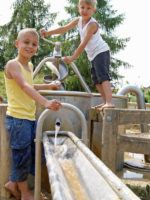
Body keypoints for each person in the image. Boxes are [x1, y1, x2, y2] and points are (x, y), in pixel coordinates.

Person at [4, 28, 62, 200]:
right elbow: (24, 86)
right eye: (26, 42)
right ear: (17, 44)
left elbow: (31, 86)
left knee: (36, 153)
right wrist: (45, 103)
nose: (30, 46)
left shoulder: (28, 66)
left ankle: (12, 184)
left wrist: (48, 86)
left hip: (29, 119)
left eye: (34, 44)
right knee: (21, 155)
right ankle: (25, 192)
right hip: (18, 119)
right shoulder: (12, 65)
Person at [40, 0, 114, 110]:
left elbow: (83, 43)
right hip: (93, 55)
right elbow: (63, 28)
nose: (85, 10)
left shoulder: (92, 25)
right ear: (78, 8)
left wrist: (73, 57)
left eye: (88, 8)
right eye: (82, 7)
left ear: (93, 11)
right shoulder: (78, 20)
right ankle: (105, 102)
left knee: (103, 77)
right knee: (96, 81)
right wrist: (48, 32)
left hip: (101, 52)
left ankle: (109, 102)